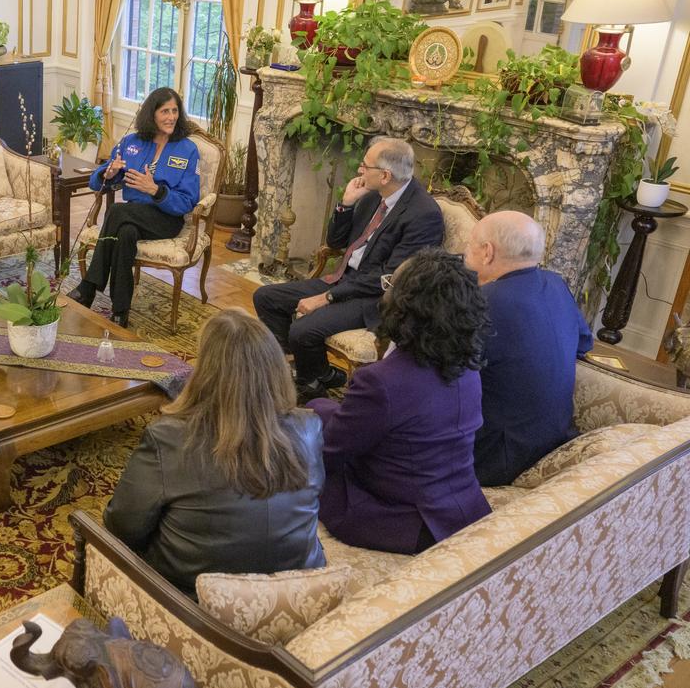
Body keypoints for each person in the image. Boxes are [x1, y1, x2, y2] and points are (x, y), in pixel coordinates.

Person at [103, 308, 325, 596]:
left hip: (193, 604)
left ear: (204, 372)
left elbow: (121, 527)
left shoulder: (169, 438)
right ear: (276, 369)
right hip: (296, 593)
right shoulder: (309, 426)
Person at [311, 248, 491, 554]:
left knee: (298, 450)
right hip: (463, 509)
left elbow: (329, 453)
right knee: (319, 409)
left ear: (405, 307)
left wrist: (311, 414)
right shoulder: (467, 367)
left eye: (389, 287)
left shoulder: (381, 381)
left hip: (402, 520)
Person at [253, 136, 443, 401]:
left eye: (365, 166)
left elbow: (391, 278)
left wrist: (327, 297)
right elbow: (335, 242)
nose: (359, 170)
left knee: (302, 329)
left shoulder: (423, 215)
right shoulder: (373, 195)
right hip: (344, 279)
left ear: (385, 175)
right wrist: (347, 203)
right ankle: (315, 371)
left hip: (375, 298)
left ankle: (311, 389)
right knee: (266, 298)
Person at [464, 211, 593, 486]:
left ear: (487, 252)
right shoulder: (557, 284)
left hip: (494, 456)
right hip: (555, 439)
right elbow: (584, 343)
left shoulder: (479, 302)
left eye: (469, 244)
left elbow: (443, 372)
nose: (464, 252)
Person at [68, 87, 201, 328]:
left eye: (174, 111)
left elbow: (188, 201)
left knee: (117, 212)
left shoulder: (188, 150)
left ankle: (88, 286)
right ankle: (120, 312)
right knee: (125, 234)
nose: (171, 117)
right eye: (165, 111)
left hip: (166, 219)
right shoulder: (131, 142)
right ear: (152, 114)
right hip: (133, 215)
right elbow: (97, 181)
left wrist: (156, 191)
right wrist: (108, 173)